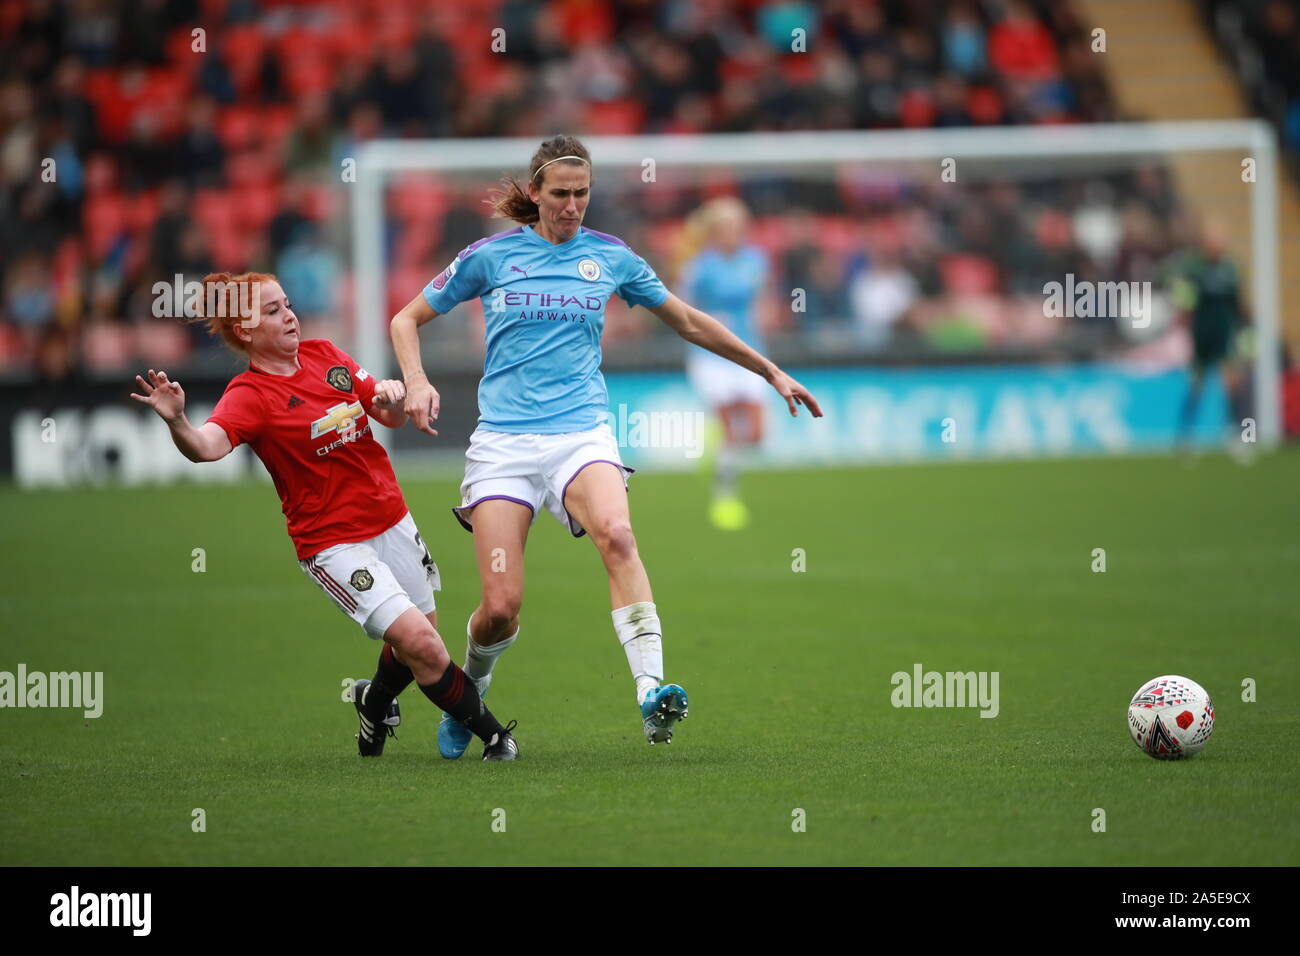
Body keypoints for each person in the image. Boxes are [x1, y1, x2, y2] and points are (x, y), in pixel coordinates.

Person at [389, 134, 823, 757]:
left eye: (582, 194)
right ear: (535, 193)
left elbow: (690, 321)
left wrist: (770, 370)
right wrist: (418, 381)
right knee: (500, 608)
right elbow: (407, 319)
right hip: (504, 444)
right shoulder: (490, 258)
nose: (571, 206)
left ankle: (650, 691)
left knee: (618, 535)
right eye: (560, 194)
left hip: (580, 433)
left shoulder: (611, 258)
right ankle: (469, 697)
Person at [131, 271, 518, 761]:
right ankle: (496, 737)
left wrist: (393, 398)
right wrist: (179, 421)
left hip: (391, 518)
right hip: (332, 544)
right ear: (246, 331)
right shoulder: (249, 396)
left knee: (415, 641)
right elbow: (206, 448)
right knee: (422, 643)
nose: (290, 315)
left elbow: (384, 413)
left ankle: (373, 703)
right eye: (273, 311)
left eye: (287, 304)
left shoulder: (326, 356)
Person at [675, 197, 773, 530]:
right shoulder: (700, 266)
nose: (734, 234)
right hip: (712, 355)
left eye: (738, 227)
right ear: (714, 232)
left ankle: (714, 442)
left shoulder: (755, 261)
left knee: (757, 434)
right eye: (727, 228)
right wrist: (705, 321)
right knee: (732, 425)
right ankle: (725, 497)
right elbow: (680, 307)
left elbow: (763, 299)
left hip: (749, 351)